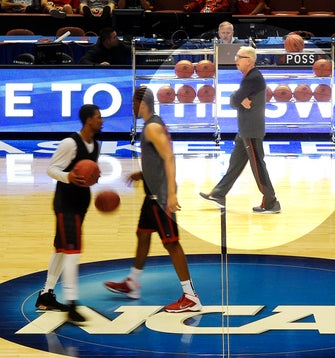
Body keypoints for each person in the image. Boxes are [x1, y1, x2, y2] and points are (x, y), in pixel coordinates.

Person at [104, 86, 203, 313]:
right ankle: (132, 283)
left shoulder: (153, 127)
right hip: (152, 195)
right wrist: (142, 174)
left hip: (160, 196)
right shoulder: (152, 124)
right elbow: (158, 158)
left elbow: (169, 157)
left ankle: (190, 296)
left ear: (142, 103)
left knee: (172, 244)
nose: (131, 108)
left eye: (133, 103)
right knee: (143, 234)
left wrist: (171, 193)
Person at [34, 104, 103, 324]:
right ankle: (72, 303)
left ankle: (46, 295)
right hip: (66, 204)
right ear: (88, 120)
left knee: (62, 250)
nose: (102, 121)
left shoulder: (96, 145)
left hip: (81, 203)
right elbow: (51, 169)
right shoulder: (70, 143)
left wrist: (94, 177)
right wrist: (69, 178)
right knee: (73, 252)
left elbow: (89, 171)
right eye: (98, 117)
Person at [199, 46, 281, 213]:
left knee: (258, 167)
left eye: (239, 57)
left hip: (251, 130)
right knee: (235, 164)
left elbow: (234, 100)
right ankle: (219, 193)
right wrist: (237, 98)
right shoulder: (250, 77)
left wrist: (237, 98)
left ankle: (271, 201)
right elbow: (237, 99)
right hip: (245, 130)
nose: (235, 59)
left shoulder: (253, 78)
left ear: (249, 60)